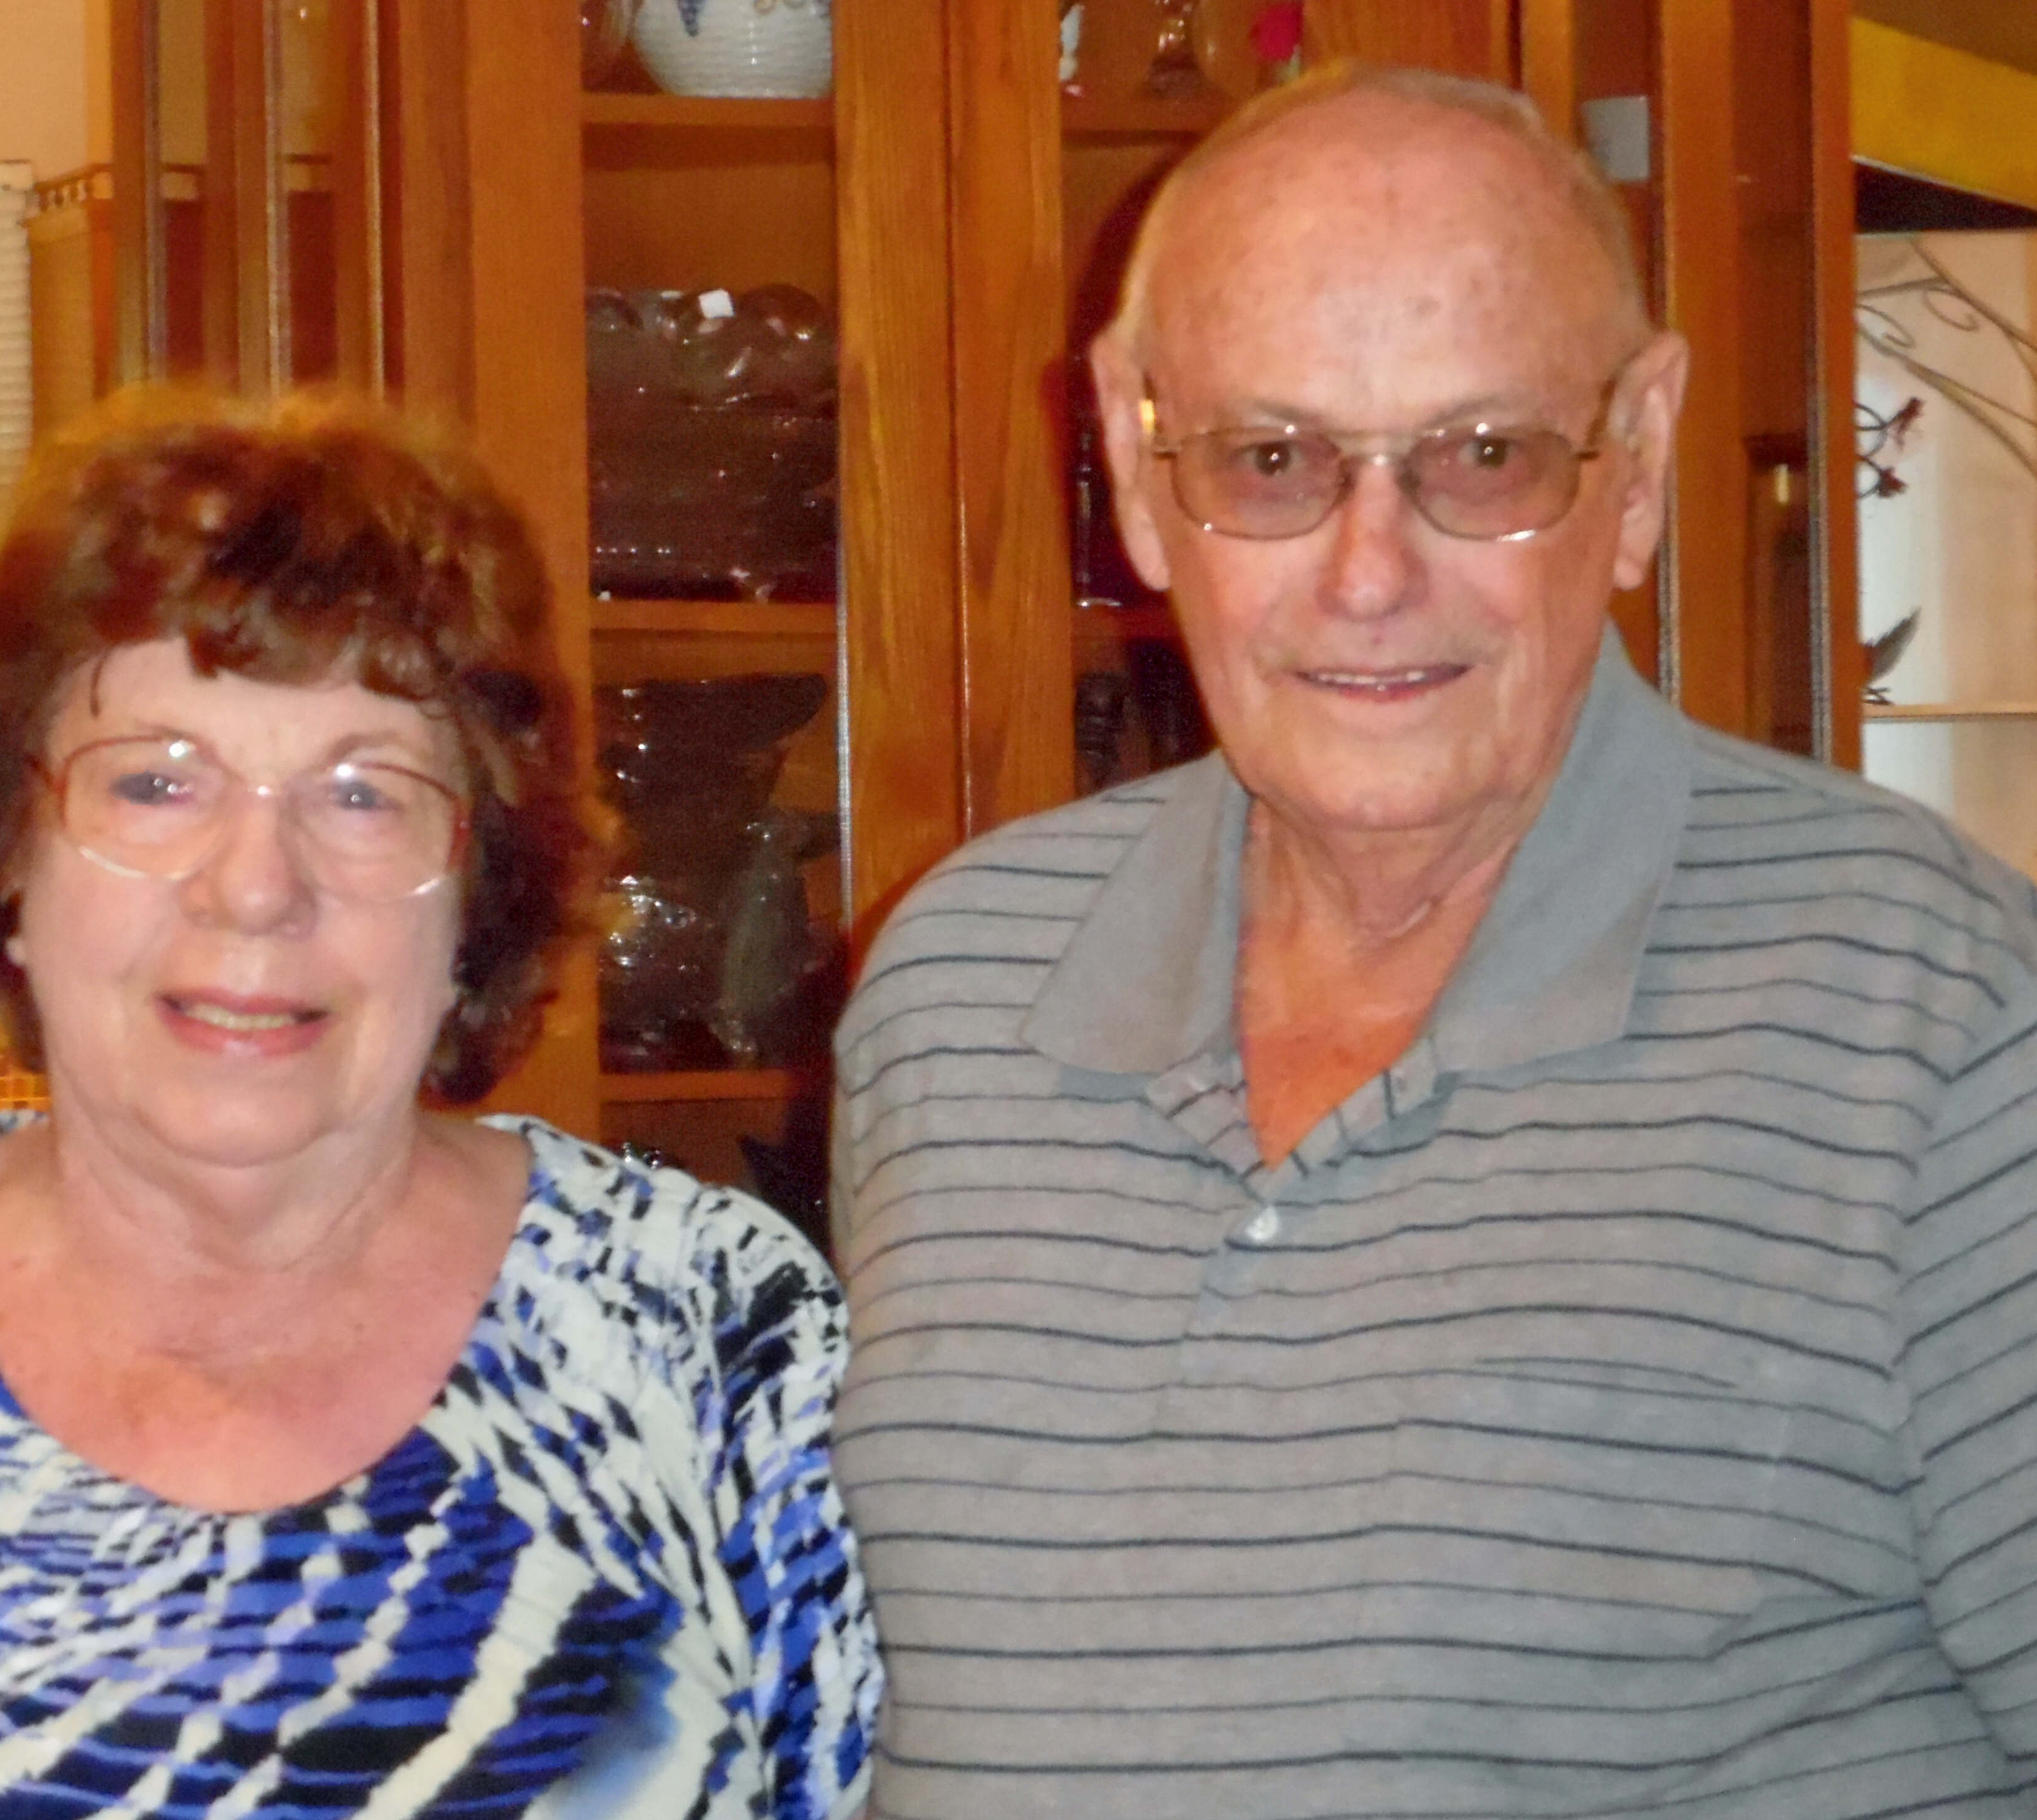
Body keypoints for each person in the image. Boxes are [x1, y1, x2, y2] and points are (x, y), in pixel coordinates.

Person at [832, 62, 2037, 1819]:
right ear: (1133, 465)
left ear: (1636, 460)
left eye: (1482, 457)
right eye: (1269, 460)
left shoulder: (1932, 1016)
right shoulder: (953, 987)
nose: (1368, 572)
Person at [0, 390, 879, 1819]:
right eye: (156, 783)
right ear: (9, 846)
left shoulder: (710, 1332)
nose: (256, 887)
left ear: (479, 885)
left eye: (364, 794)